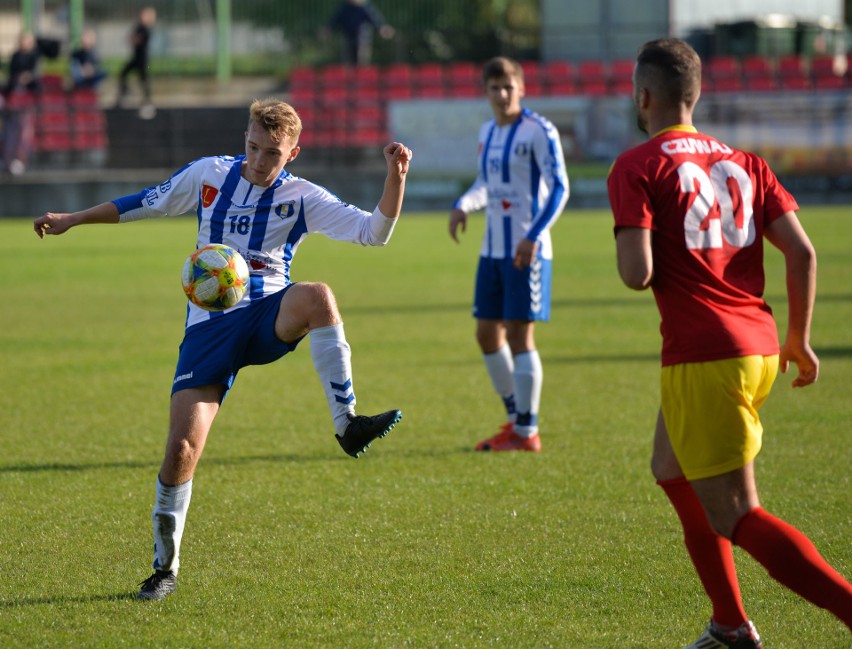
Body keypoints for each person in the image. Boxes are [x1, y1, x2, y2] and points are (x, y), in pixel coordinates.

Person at [33, 98, 413, 601]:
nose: (259, 161)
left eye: (272, 154)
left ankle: (347, 424)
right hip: (208, 330)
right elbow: (147, 201)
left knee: (318, 296)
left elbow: (374, 233)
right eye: (253, 147)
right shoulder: (209, 175)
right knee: (181, 451)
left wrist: (396, 177)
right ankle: (163, 570)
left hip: (267, 312)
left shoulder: (301, 197)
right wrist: (73, 218)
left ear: (293, 153)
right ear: (245, 139)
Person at [608, 38, 852, 648]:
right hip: (759, 345)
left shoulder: (638, 164)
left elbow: (636, 274)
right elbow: (802, 251)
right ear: (696, 93)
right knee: (671, 469)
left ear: (643, 95)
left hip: (705, 353)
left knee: (737, 512)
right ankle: (729, 627)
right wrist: (798, 338)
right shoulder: (746, 162)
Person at [449, 56, 569, 453]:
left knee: (519, 335)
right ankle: (517, 418)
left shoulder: (539, 130)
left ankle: (525, 431)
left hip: (526, 250)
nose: (501, 94)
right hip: (493, 249)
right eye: (494, 88)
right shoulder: (488, 131)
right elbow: (487, 181)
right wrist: (465, 204)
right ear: (485, 92)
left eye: (508, 86)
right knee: (486, 334)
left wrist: (534, 235)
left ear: (521, 88)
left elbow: (560, 188)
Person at [2, 31, 41, 175]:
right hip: (14, 105)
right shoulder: (15, 56)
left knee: (25, 133)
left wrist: (28, 78)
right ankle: (9, 161)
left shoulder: (35, 57)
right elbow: (11, 79)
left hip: (28, 102)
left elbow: (36, 78)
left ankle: (22, 161)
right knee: (11, 132)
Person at [324, 0, 395, 66]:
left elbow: (376, 20)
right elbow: (334, 21)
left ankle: (361, 77)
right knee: (348, 63)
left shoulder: (365, 7)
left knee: (361, 62)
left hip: (363, 40)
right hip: (348, 39)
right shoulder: (343, 8)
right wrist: (328, 30)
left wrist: (382, 28)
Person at [116, 6, 156, 111]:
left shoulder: (147, 29)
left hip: (143, 59)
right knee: (123, 73)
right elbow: (131, 38)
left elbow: (136, 40)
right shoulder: (138, 27)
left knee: (144, 79)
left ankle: (147, 101)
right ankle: (125, 93)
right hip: (136, 58)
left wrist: (134, 39)